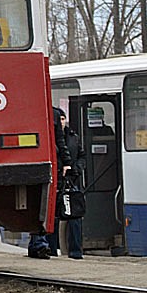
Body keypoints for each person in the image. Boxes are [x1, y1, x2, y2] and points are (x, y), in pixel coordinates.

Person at [29, 106, 71, 258]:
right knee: (37, 202)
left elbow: (59, 140)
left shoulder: (53, 113)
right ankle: (38, 243)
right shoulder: (48, 112)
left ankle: (39, 243)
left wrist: (66, 162)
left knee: (44, 203)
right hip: (36, 160)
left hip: (48, 162)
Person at [58, 109, 87, 259]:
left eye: (63, 118)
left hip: (71, 182)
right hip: (56, 182)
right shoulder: (50, 137)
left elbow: (82, 156)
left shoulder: (73, 137)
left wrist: (76, 169)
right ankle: (51, 250)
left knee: (75, 216)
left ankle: (76, 251)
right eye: (59, 118)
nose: (61, 121)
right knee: (56, 217)